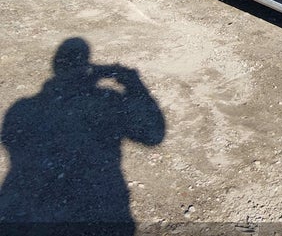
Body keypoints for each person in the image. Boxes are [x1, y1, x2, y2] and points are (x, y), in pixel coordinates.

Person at [0, 38, 165, 233]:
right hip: (104, 206)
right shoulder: (110, 101)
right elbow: (154, 135)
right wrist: (134, 82)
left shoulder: (21, 109)